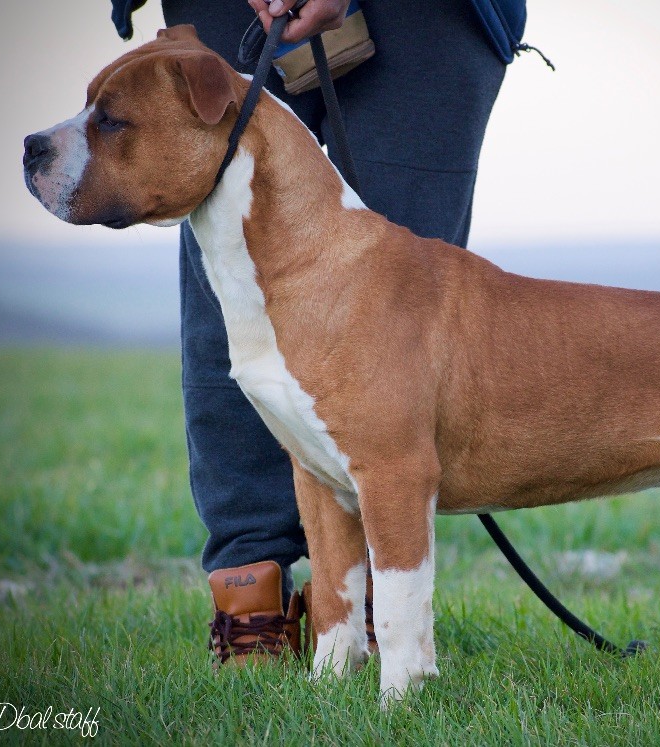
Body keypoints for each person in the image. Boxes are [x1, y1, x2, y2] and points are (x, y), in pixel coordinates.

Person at [110, 0, 527, 664]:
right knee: (237, 297)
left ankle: (380, 618)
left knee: (403, 318)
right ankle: (251, 600)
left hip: (431, 18)